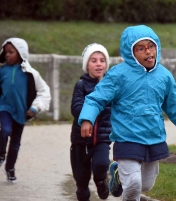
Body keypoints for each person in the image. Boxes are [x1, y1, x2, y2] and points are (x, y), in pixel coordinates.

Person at [78, 25, 176, 201]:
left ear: (157, 47)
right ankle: (125, 181)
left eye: (151, 46)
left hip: (153, 137)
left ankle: (117, 173)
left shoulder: (164, 76)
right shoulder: (119, 75)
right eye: (141, 48)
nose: (148, 52)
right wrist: (87, 118)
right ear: (130, 52)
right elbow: (96, 98)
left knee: (146, 185)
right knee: (133, 185)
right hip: (127, 137)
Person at [0, 37, 51, 182]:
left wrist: (35, 108)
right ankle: (1, 154)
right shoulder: (2, 71)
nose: (7, 55)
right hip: (4, 108)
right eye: (6, 52)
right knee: (4, 130)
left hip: (21, 112)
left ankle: (10, 168)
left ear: (21, 53)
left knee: (15, 143)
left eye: (11, 52)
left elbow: (44, 91)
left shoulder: (31, 74)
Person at [70, 43, 112, 201]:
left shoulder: (111, 86)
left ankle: (101, 181)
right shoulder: (81, 85)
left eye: (102, 60)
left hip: (102, 138)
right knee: (81, 182)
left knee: (101, 164)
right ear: (86, 65)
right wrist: (88, 115)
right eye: (93, 60)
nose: (99, 64)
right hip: (80, 141)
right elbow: (76, 108)